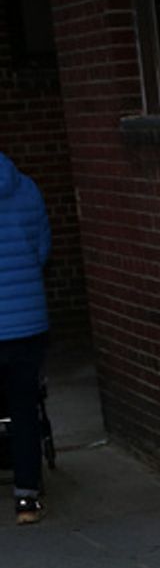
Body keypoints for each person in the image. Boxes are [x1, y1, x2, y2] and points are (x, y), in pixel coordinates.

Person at [0, 152, 52, 525]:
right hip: (27, 323)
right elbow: (42, 249)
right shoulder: (27, 188)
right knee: (23, 409)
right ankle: (26, 498)